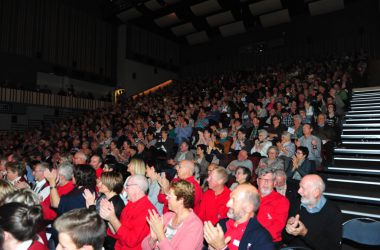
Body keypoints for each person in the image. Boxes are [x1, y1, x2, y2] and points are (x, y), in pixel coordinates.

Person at [203, 184, 275, 250]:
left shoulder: (262, 238)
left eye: (233, 200)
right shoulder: (222, 224)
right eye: (229, 198)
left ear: (248, 208)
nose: (228, 204)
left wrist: (222, 248)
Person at [282, 174, 342, 250]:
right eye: (299, 187)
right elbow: (284, 239)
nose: (298, 191)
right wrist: (288, 230)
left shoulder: (333, 211)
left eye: (303, 188)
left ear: (316, 192)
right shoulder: (296, 203)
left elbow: (332, 247)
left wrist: (305, 233)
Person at [141, 180, 204, 250]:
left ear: (181, 200)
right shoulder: (168, 216)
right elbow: (144, 247)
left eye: (169, 196)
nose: (166, 198)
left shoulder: (195, 226)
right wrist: (152, 239)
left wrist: (160, 235)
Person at [99, 175, 156, 250]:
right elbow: (117, 232)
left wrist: (113, 218)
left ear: (136, 189)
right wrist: (109, 217)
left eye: (127, 186)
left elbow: (130, 241)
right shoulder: (131, 203)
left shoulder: (147, 211)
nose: (125, 189)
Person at [83, 172, 125, 250]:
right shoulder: (105, 197)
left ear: (110, 186)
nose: (98, 184)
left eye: (102, 183)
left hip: (107, 244)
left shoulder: (115, 203)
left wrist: (91, 205)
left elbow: (96, 225)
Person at [256, 169, 289, 244]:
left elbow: (276, 228)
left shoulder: (282, 201)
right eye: (263, 179)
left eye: (269, 180)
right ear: (258, 181)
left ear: (274, 183)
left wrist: (255, 236)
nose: (266, 183)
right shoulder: (249, 195)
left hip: (267, 241)